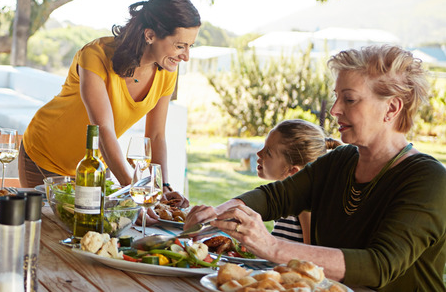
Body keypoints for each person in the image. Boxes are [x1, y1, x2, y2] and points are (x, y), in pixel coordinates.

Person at [184, 45, 446, 291]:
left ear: (391, 107)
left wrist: (272, 247)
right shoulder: (340, 161)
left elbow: (378, 265)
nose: (334, 110)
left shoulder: (428, 180)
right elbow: (275, 197)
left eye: (350, 99)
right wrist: (217, 213)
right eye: (336, 98)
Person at [19, 0, 200, 209]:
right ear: (150, 35)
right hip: (46, 156)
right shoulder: (95, 56)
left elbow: (156, 135)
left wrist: (162, 187)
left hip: (94, 168)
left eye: (190, 46)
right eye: (180, 46)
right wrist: (133, 192)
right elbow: (102, 128)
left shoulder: (166, 73)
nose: (186, 56)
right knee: (51, 235)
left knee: (103, 233)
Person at [255, 119, 340, 244]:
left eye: (268, 152)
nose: (259, 153)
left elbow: (310, 254)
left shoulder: (304, 205)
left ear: (293, 172)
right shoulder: (286, 198)